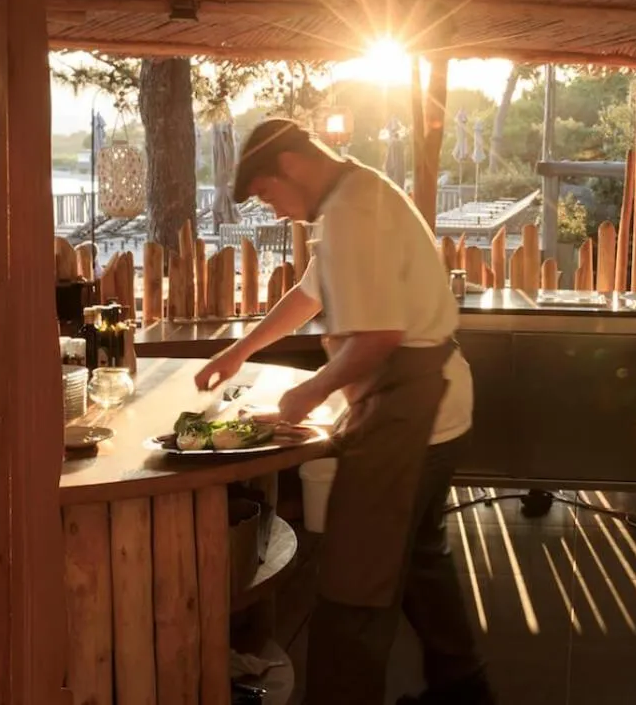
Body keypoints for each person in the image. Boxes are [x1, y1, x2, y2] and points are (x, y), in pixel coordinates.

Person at [194, 119, 493, 705]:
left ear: (291, 166)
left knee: (357, 583)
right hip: (436, 406)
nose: (274, 210)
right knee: (419, 563)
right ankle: (465, 691)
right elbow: (308, 295)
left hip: (412, 411)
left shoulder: (354, 210)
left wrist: (308, 393)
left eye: (267, 194)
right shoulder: (353, 197)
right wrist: (240, 349)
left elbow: (378, 336)